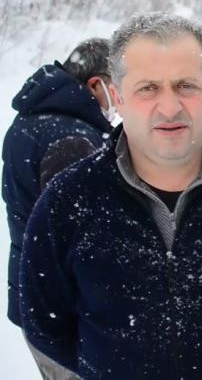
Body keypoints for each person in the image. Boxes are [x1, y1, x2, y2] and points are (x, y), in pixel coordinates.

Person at [19, 12, 202, 379]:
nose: (170, 106)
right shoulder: (69, 198)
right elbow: (46, 322)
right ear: (117, 96)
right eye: (148, 88)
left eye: (186, 85)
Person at [3, 38, 115, 376]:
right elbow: (80, 236)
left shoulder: (33, 121)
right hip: (66, 310)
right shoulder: (70, 137)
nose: (119, 105)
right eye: (117, 90)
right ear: (97, 84)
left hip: (37, 297)